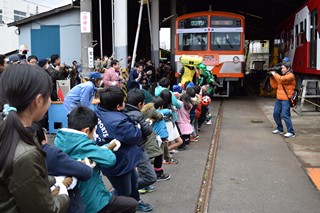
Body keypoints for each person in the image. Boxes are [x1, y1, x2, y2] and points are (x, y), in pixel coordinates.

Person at [0, 64, 70, 212]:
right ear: (38, 101)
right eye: (49, 96)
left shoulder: (7, 129)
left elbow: (23, 180)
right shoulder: (26, 154)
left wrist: (53, 180)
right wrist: (64, 193)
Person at [54, 106, 137, 213]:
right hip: (93, 201)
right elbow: (109, 159)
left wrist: (105, 147)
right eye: (94, 130)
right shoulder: (82, 145)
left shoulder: (61, 139)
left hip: (74, 199)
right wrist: (106, 149)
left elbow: (93, 151)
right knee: (131, 204)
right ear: (87, 130)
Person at [95, 86, 153, 212]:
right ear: (118, 106)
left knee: (133, 185)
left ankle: (136, 202)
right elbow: (136, 135)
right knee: (124, 193)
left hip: (119, 160)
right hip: (120, 164)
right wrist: (137, 125)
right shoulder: (119, 121)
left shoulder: (98, 111)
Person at [32, 122, 93, 213]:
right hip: (64, 205)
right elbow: (86, 172)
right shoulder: (50, 153)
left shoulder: (18, 156)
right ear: (43, 138)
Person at [125, 89, 170, 186]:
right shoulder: (143, 113)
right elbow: (147, 130)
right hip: (141, 145)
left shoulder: (123, 113)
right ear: (141, 103)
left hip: (129, 146)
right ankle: (152, 178)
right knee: (151, 169)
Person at [269, 61, 296, 138]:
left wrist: (275, 74)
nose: (281, 69)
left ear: (288, 68)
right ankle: (280, 129)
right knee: (276, 114)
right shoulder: (281, 76)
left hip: (286, 99)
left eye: (283, 68)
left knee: (285, 115)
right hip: (279, 99)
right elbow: (274, 86)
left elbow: (281, 80)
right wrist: (271, 77)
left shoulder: (290, 76)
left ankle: (291, 132)